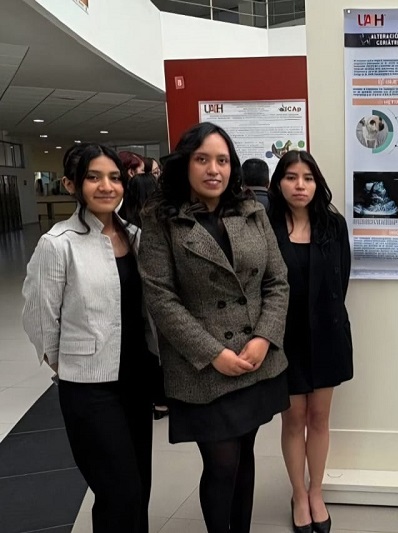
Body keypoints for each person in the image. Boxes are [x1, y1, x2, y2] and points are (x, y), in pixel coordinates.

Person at [137, 122, 290, 533]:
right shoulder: (161, 218)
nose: (213, 169)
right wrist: (213, 354)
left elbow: (277, 280)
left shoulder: (251, 210)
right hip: (202, 367)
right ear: (185, 164)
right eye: (202, 159)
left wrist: (264, 337)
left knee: (245, 454)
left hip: (255, 358)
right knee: (221, 463)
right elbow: (160, 297)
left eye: (222, 160)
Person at [22, 143, 154, 533]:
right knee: (119, 491)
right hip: (89, 389)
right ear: (72, 184)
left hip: (136, 378)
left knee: (140, 486)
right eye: (93, 177)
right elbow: (39, 318)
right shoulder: (58, 243)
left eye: (114, 177)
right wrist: (69, 365)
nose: (106, 186)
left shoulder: (134, 236)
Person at [267, 151, 352, 533]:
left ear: (317, 183)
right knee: (293, 420)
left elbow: (341, 281)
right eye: (291, 177)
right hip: (284, 338)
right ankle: (298, 495)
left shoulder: (333, 225)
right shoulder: (266, 226)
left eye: (308, 178)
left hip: (327, 334)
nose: (300, 185)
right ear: (279, 183)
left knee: (319, 418)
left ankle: (316, 491)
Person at [119, 172, 169, 420]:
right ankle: (162, 400)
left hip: (132, 303)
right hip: (152, 300)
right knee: (157, 348)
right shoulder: (156, 220)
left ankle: (155, 400)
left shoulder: (125, 224)